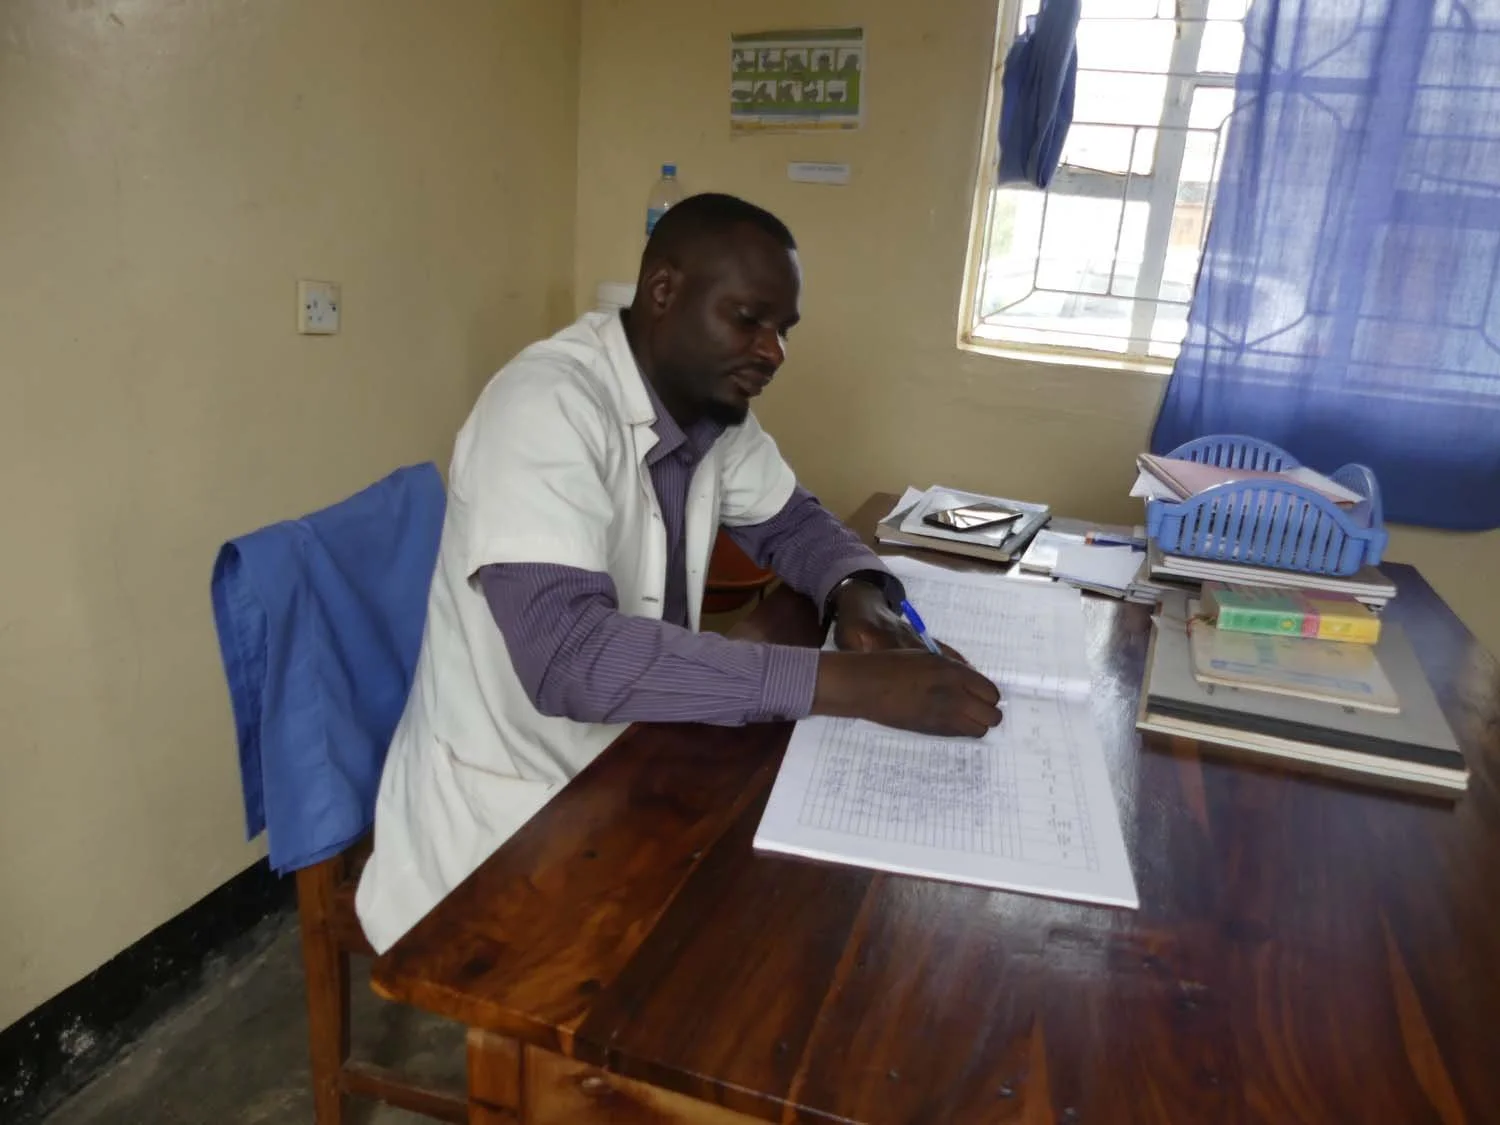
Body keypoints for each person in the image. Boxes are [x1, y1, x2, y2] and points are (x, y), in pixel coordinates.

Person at [355, 192, 1002, 953]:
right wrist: (848, 686)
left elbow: (792, 522)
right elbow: (571, 659)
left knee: (796, 926)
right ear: (664, 292)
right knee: (748, 964)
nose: (773, 352)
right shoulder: (544, 406)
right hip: (510, 823)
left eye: (784, 330)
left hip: (630, 763)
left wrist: (858, 594)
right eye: (749, 319)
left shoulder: (709, 407)